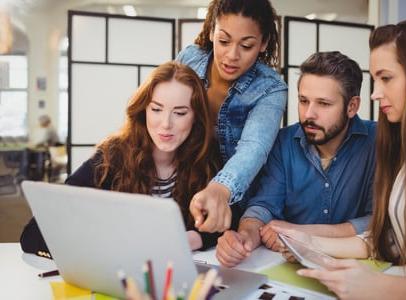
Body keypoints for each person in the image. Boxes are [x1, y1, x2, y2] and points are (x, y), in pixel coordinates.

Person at [276, 19, 406, 299]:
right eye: (375, 79)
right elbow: (393, 240)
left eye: (386, 78)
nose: (375, 93)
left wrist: (380, 288)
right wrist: (310, 243)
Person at [20, 61, 222, 258]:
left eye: (179, 113)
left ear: (196, 116)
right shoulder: (111, 156)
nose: (166, 123)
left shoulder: (205, 158)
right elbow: (33, 235)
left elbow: (228, 221)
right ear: (143, 110)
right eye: (156, 109)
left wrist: (192, 238)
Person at [216, 51, 376, 267]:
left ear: (352, 106)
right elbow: (264, 207)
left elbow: (378, 221)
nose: (309, 114)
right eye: (303, 101)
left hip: (358, 272)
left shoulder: (378, 142)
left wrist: (299, 234)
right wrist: (244, 238)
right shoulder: (283, 142)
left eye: (324, 104)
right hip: (290, 268)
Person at [177, 0, 287, 233]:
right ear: (210, 32)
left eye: (246, 46)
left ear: (264, 43)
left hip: (234, 201)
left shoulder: (271, 88)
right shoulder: (189, 59)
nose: (232, 55)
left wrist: (220, 188)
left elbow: (254, 147)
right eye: (224, 41)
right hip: (183, 183)